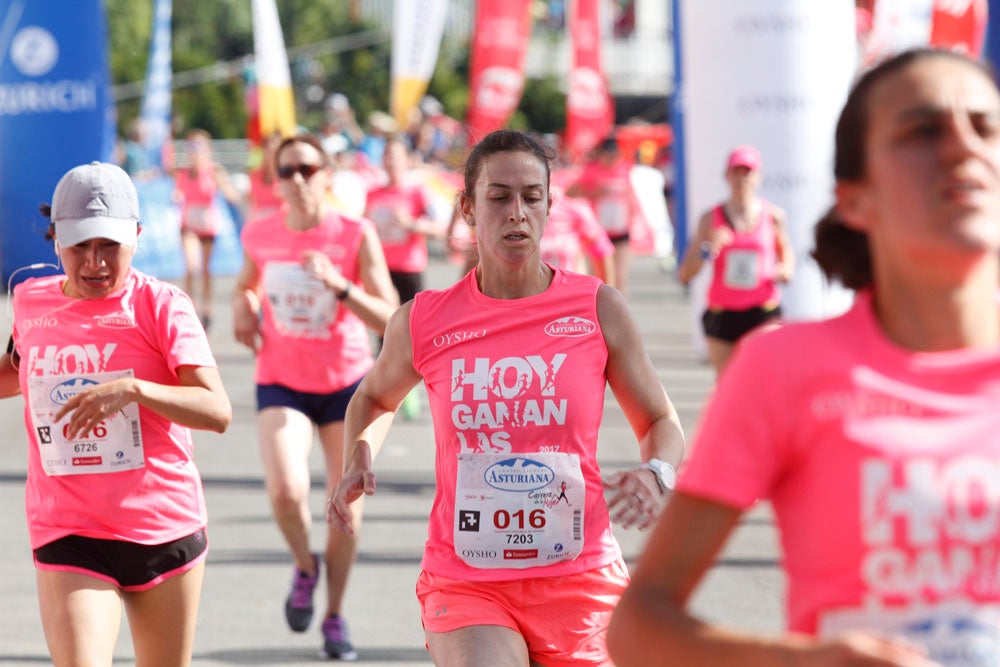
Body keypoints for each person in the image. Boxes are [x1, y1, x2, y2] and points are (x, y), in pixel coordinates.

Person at [607, 48, 1000, 667]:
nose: (962, 146)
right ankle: (745, 465)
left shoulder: (774, 217)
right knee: (726, 384)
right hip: (734, 323)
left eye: (986, 126)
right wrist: (805, 660)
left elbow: (784, 258)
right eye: (923, 130)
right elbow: (635, 629)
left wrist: (778, 268)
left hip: (761, 303)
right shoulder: (786, 370)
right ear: (855, 199)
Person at [328, 129, 685, 666]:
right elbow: (374, 398)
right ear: (469, 209)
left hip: (578, 575)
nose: (516, 212)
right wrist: (358, 452)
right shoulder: (424, 319)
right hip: (468, 579)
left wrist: (657, 472)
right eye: (498, 197)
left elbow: (659, 418)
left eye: (531, 197)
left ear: (548, 205)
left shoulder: (598, 309)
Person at [0, 162, 232, 666]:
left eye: (110, 245)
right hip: (69, 528)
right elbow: (15, 372)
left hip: (161, 527)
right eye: (79, 245)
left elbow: (216, 410)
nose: (95, 263)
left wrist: (132, 390)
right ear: (55, 240)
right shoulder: (30, 301)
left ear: (138, 237)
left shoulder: (161, 306)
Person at [232, 133, 399, 660]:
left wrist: (341, 287)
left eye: (307, 168)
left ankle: (333, 615)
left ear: (327, 174)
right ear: (276, 181)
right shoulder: (260, 232)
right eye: (287, 171)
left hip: (348, 385)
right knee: (286, 491)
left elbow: (393, 319)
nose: (298, 179)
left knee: (344, 508)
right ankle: (305, 565)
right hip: (281, 378)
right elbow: (248, 282)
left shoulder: (354, 233)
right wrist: (244, 302)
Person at [676, 144, 794, 377]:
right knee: (728, 387)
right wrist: (708, 247)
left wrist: (785, 269)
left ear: (758, 177)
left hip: (763, 309)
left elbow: (786, 251)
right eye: (736, 172)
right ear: (726, 176)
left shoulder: (773, 216)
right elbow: (685, 274)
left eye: (747, 172)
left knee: (765, 380)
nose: (742, 179)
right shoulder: (710, 219)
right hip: (724, 313)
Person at [173, 128, 240, 330]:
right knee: (191, 267)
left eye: (199, 146)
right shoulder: (183, 172)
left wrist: (227, 190)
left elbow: (232, 194)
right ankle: (188, 307)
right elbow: (178, 192)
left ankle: (207, 308)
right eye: (191, 146)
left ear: (207, 149)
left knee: (205, 270)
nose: (194, 151)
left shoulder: (213, 171)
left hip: (208, 227)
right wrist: (176, 196)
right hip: (189, 226)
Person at [567, 136, 638, 298]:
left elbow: (630, 195)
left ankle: (619, 317)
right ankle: (597, 314)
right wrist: (593, 193)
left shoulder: (624, 169)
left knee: (619, 279)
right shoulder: (592, 171)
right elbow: (570, 193)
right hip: (599, 233)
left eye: (615, 155)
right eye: (608, 155)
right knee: (599, 280)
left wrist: (633, 216)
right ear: (602, 154)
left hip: (621, 230)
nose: (612, 159)